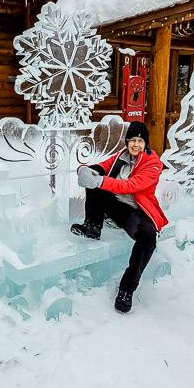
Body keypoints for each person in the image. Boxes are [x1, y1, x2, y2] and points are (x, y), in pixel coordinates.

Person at [71, 121, 168, 313]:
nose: (136, 144)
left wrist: (99, 180)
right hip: (115, 204)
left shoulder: (153, 163)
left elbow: (131, 186)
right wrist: (86, 170)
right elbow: (103, 167)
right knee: (95, 184)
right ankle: (92, 226)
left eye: (140, 141)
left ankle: (126, 289)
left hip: (136, 210)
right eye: (132, 140)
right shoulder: (121, 156)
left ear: (146, 143)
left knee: (148, 237)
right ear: (127, 142)